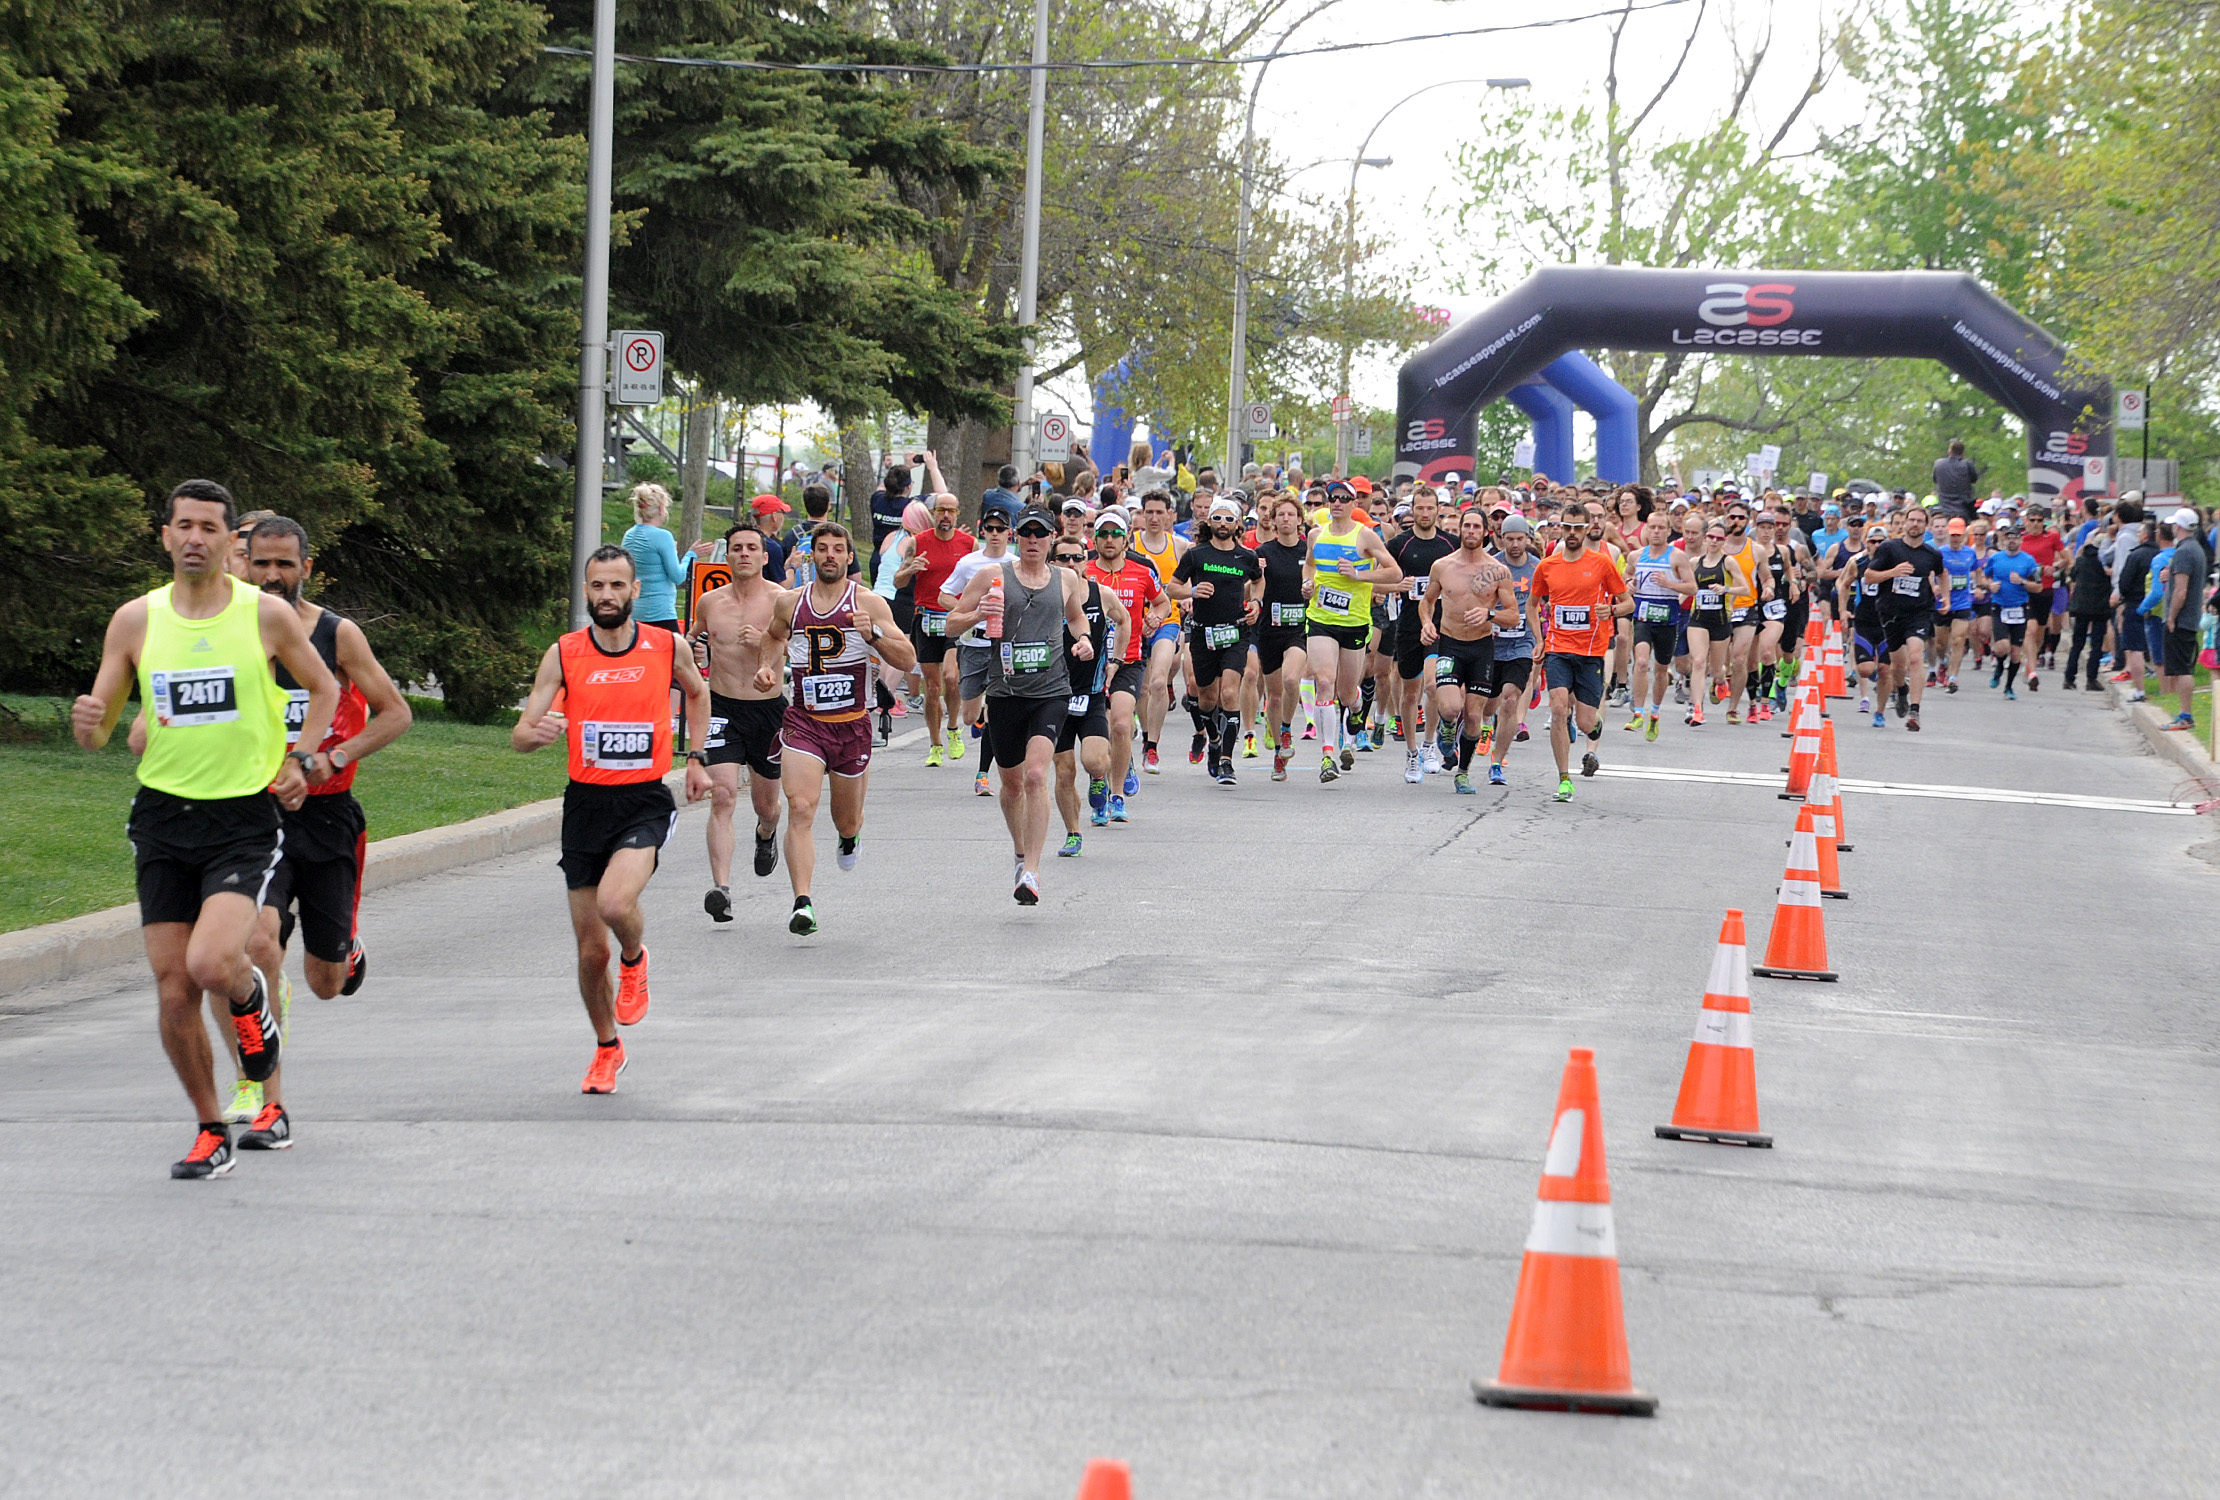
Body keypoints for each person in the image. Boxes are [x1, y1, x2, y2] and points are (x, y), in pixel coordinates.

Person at [72, 481, 339, 1177]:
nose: (195, 537)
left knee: (212, 963)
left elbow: (326, 688)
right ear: (165, 536)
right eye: (183, 525)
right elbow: (104, 729)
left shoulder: (265, 616)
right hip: (162, 816)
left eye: (209, 528)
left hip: (240, 819)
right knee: (172, 989)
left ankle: (253, 1006)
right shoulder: (134, 620)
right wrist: (90, 724)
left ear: (231, 544)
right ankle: (208, 1127)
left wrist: (304, 758)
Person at [225, 516, 412, 1143]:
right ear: (244, 564)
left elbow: (396, 713)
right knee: (255, 943)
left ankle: (345, 947)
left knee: (325, 984)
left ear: (306, 567)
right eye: (261, 564)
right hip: (258, 819)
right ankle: (259, 1081)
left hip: (330, 819)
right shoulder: (228, 636)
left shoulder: (338, 634)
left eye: (285, 564)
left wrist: (332, 757)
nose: (272, 576)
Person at [512, 546, 712, 1093]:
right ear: (586, 592)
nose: (606, 596)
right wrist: (536, 734)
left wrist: (696, 758)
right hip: (585, 804)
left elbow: (698, 693)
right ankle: (605, 1046)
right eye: (597, 586)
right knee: (587, 950)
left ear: (634, 592)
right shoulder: (565, 653)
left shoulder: (665, 646)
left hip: (643, 800)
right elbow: (522, 732)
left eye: (616, 586)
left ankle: (634, 956)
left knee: (614, 904)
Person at [753, 524, 915, 934]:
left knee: (847, 821)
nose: (829, 555)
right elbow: (773, 639)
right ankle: (802, 902)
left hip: (851, 726)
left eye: (837, 550)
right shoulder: (790, 603)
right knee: (801, 807)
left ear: (848, 558)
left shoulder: (869, 603)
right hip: (804, 723)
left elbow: (908, 656)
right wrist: (767, 669)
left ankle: (849, 837)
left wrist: (873, 635)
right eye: (821, 549)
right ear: (812, 555)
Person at [945, 506, 1097, 903]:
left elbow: (1077, 618)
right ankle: (1019, 850)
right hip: (1004, 692)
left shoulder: (1066, 578)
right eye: (1026, 533)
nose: (1033, 540)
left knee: (1034, 776)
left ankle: (1031, 870)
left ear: (1051, 538)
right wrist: (979, 612)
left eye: (1040, 534)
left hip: (1051, 691)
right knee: (1011, 785)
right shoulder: (992, 576)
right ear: (1017, 537)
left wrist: (1083, 640)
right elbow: (951, 624)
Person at [690, 524, 788, 919]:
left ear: (765, 557)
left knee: (767, 805)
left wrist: (764, 642)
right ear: (726, 556)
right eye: (736, 548)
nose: (744, 553)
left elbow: (794, 645)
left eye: (752, 548)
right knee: (724, 795)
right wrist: (696, 654)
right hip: (722, 709)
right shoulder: (710, 602)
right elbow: (694, 638)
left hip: (768, 710)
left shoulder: (781, 600)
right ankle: (722, 889)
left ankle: (765, 835)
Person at [1529, 504, 1632, 801]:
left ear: (1587, 529)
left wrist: (1610, 609)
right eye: (1567, 527)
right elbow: (1532, 604)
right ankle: (1564, 779)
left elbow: (1628, 604)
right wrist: (1539, 640)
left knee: (1587, 722)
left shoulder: (1601, 563)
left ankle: (1593, 725)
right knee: (1559, 708)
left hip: (1591, 651)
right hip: (1558, 648)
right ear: (1559, 528)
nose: (1572, 533)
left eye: (1578, 528)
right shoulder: (1547, 565)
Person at [1303, 481, 1402, 782]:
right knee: (1324, 682)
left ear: (1354, 503)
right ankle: (1327, 756)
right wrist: (1306, 585)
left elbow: (1394, 573)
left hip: (1355, 622)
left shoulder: (1365, 536)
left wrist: (1359, 574)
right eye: (1333, 498)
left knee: (1347, 693)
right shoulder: (1316, 535)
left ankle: (1357, 710)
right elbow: (1309, 566)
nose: (1337, 503)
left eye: (1345, 499)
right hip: (1320, 617)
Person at [1419, 505, 1520, 793]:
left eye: (1477, 526)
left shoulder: (1498, 571)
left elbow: (1513, 616)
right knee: (1450, 707)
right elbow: (1426, 601)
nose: (1472, 531)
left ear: (1486, 532)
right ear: (1459, 529)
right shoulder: (1443, 566)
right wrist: (1427, 623)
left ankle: (1462, 772)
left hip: (1481, 647)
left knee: (1474, 717)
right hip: (1449, 643)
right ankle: (1447, 726)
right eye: (1467, 526)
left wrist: (1490, 615)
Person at [1173, 496, 1263, 784]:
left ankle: (1226, 760)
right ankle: (1213, 740)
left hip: (1235, 632)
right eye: (1218, 518)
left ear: (1237, 524)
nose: (1223, 524)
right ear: (1209, 522)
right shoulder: (1195, 555)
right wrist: (1192, 591)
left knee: (1229, 693)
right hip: (1203, 633)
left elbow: (1259, 579)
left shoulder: (1246, 556)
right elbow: (1172, 586)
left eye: (1228, 519)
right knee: (1207, 697)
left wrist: (1257, 603)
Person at [1049, 535, 1130, 853]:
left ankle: (1100, 780)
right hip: (1053, 695)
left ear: (1086, 560)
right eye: (1063, 558)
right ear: (1052, 563)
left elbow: (1124, 621)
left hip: (1092, 692)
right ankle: (1073, 832)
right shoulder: (1044, 596)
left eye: (1077, 558)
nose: (1071, 564)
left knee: (1094, 760)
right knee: (1063, 769)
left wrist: (1116, 661)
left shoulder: (1101, 593)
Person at [1082, 507, 1161, 817]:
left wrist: (1155, 617)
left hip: (1128, 659)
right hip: (1089, 664)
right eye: (1103, 534)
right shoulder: (1084, 571)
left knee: (1121, 723)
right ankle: (1100, 777)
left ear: (1127, 537)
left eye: (1116, 533)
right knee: (1096, 733)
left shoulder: (1142, 570)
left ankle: (1116, 796)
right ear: (1095, 539)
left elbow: (1162, 600)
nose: (1110, 539)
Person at [893, 491, 975, 766]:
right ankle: (935, 744)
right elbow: (898, 582)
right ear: (933, 513)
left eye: (951, 511)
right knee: (932, 687)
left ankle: (953, 729)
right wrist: (910, 569)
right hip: (926, 618)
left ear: (958, 514)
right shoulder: (917, 542)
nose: (946, 516)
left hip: (954, 617)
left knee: (952, 678)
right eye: (941, 510)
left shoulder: (969, 544)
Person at [1388, 484, 1458, 779]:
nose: (1425, 513)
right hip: (1408, 624)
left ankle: (1430, 744)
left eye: (1431, 508)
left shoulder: (1451, 544)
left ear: (1438, 510)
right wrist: (1397, 586)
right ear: (1412, 510)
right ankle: (1412, 753)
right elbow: (1377, 582)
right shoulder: (1399, 545)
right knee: (1410, 692)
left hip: (1442, 624)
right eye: (1420, 508)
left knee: (1432, 685)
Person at [942, 507, 1013, 796]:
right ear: (982, 530)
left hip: (1003, 647)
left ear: (1010, 532)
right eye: (990, 528)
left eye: (1001, 529)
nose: (995, 534)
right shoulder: (968, 563)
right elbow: (944, 593)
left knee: (996, 710)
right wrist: (969, 611)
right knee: (970, 716)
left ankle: (983, 774)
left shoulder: (1016, 564)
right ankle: (981, 711)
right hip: (973, 643)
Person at [1866, 507, 1947, 731]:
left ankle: (1915, 710)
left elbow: (1942, 574)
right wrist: (1892, 573)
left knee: (1914, 657)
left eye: (1920, 521)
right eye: (1911, 520)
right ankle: (1901, 689)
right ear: (1904, 524)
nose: (1915, 524)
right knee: (1897, 667)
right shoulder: (1889, 549)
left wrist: (1946, 597)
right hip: (1891, 613)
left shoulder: (1932, 554)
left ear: (1926, 526)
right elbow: (1869, 576)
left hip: (1919, 613)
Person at [1254, 494, 1314, 783]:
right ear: (1274, 520)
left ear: (1300, 519)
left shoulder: (1309, 551)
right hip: (1269, 629)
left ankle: (1288, 728)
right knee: (1274, 695)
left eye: (1291, 514)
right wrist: (1255, 579)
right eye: (1281, 515)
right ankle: (1279, 753)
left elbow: (1322, 580)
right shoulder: (1263, 552)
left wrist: (1312, 590)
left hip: (1299, 629)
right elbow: (1250, 589)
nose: (1286, 519)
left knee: (1292, 679)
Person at [1130, 490, 1189, 773]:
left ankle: (1153, 747)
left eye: (1159, 512)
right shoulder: (1130, 545)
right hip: (1134, 623)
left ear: (1169, 515)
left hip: (1168, 619)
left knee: (1157, 682)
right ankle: (1145, 737)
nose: (1154, 518)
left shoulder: (1179, 545)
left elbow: (1194, 576)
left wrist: (1187, 595)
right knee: (1141, 688)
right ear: (1141, 514)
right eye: (1148, 512)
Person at [1484, 515, 1541, 785]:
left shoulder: (1537, 568)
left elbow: (1550, 596)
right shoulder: (1492, 565)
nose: (1515, 544)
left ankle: (1497, 762)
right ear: (1501, 538)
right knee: (1486, 704)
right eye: (1510, 538)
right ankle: (1482, 727)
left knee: (1509, 699)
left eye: (1520, 538)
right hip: (1492, 641)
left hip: (1522, 643)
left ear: (1528, 539)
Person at [1675, 519, 1748, 727]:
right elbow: (1688, 589)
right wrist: (1675, 605)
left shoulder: (1728, 562)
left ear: (1724, 541)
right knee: (1698, 662)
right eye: (1711, 537)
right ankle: (1697, 709)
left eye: (1719, 538)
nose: (1714, 541)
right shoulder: (1695, 563)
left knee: (1716, 669)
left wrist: (1726, 590)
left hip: (1721, 620)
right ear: (1705, 538)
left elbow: (1744, 589)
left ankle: (1720, 681)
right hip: (1698, 618)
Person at [1624, 511, 1690, 741]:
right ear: (1646, 530)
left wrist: (1669, 583)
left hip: (1668, 618)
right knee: (1641, 662)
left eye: (1661, 528)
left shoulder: (1677, 557)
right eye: (1652, 527)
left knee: (1661, 671)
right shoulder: (1636, 556)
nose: (1656, 532)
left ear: (1668, 531)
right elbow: (1625, 577)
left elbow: (1692, 588)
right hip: (1642, 616)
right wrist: (1628, 585)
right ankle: (1638, 712)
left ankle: (1654, 713)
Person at [1980, 523, 2045, 699]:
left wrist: (2022, 582)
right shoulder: (1996, 559)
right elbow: (1983, 577)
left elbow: (2038, 587)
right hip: (2000, 607)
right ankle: (2000, 667)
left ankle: (2008, 687)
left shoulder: (2029, 561)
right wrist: (1989, 585)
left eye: (2015, 537)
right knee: (2002, 647)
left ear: (2020, 540)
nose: (2011, 540)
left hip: (2020, 609)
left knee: (2016, 653)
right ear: (2004, 539)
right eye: (2008, 537)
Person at [2159, 507, 2210, 731]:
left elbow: (2181, 591)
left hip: (2181, 619)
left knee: (2182, 669)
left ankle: (2185, 715)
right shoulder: (2196, 549)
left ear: (2177, 527)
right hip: (2190, 617)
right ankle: (2184, 714)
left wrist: (2171, 616)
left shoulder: (2184, 552)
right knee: (2182, 667)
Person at [621, 483, 696, 633]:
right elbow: (678, 576)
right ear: (661, 509)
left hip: (634, 612)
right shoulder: (663, 536)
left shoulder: (629, 535)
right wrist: (690, 555)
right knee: (676, 653)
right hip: (660, 612)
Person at [2063, 535, 2114, 691]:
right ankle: (2091, 679)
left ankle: (2069, 678)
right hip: (2100, 607)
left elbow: (2071, 576)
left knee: (2077, 644)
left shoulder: (2081, 560)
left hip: (2081, 607)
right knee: (2096, 645)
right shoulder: (2106, 562)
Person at [1936, 517, 1979, 691]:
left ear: (1963, 535)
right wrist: (1933, 586)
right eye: (1953, 535)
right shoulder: (1939, 553)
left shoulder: (1970, 553)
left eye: (1958, 535)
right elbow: (1932, 573)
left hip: (1962, 602)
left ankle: (1953, 676)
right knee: (1940, 643)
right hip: (1942, 602)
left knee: (1958, 639)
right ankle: (1943, 661)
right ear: (1948, 534)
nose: (1955, 538)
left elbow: (1975, 572)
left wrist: (1978, 586)